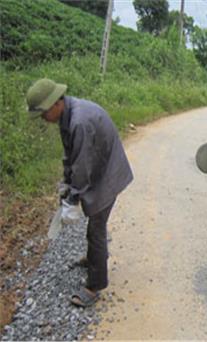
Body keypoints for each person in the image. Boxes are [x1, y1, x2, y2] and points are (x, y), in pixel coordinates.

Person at [26, 78, 133, 307]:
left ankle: (95, 285)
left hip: (108, 173)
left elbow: (82, 166)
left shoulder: (79, 121)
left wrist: (73, 198)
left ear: (55, 103)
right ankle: (94, 259)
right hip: (99, 166)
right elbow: (71, 156)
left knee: (96, 226)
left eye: (44, 113)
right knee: (94, 221)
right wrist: (67, 184)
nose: (44, 119)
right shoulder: (68, 115)